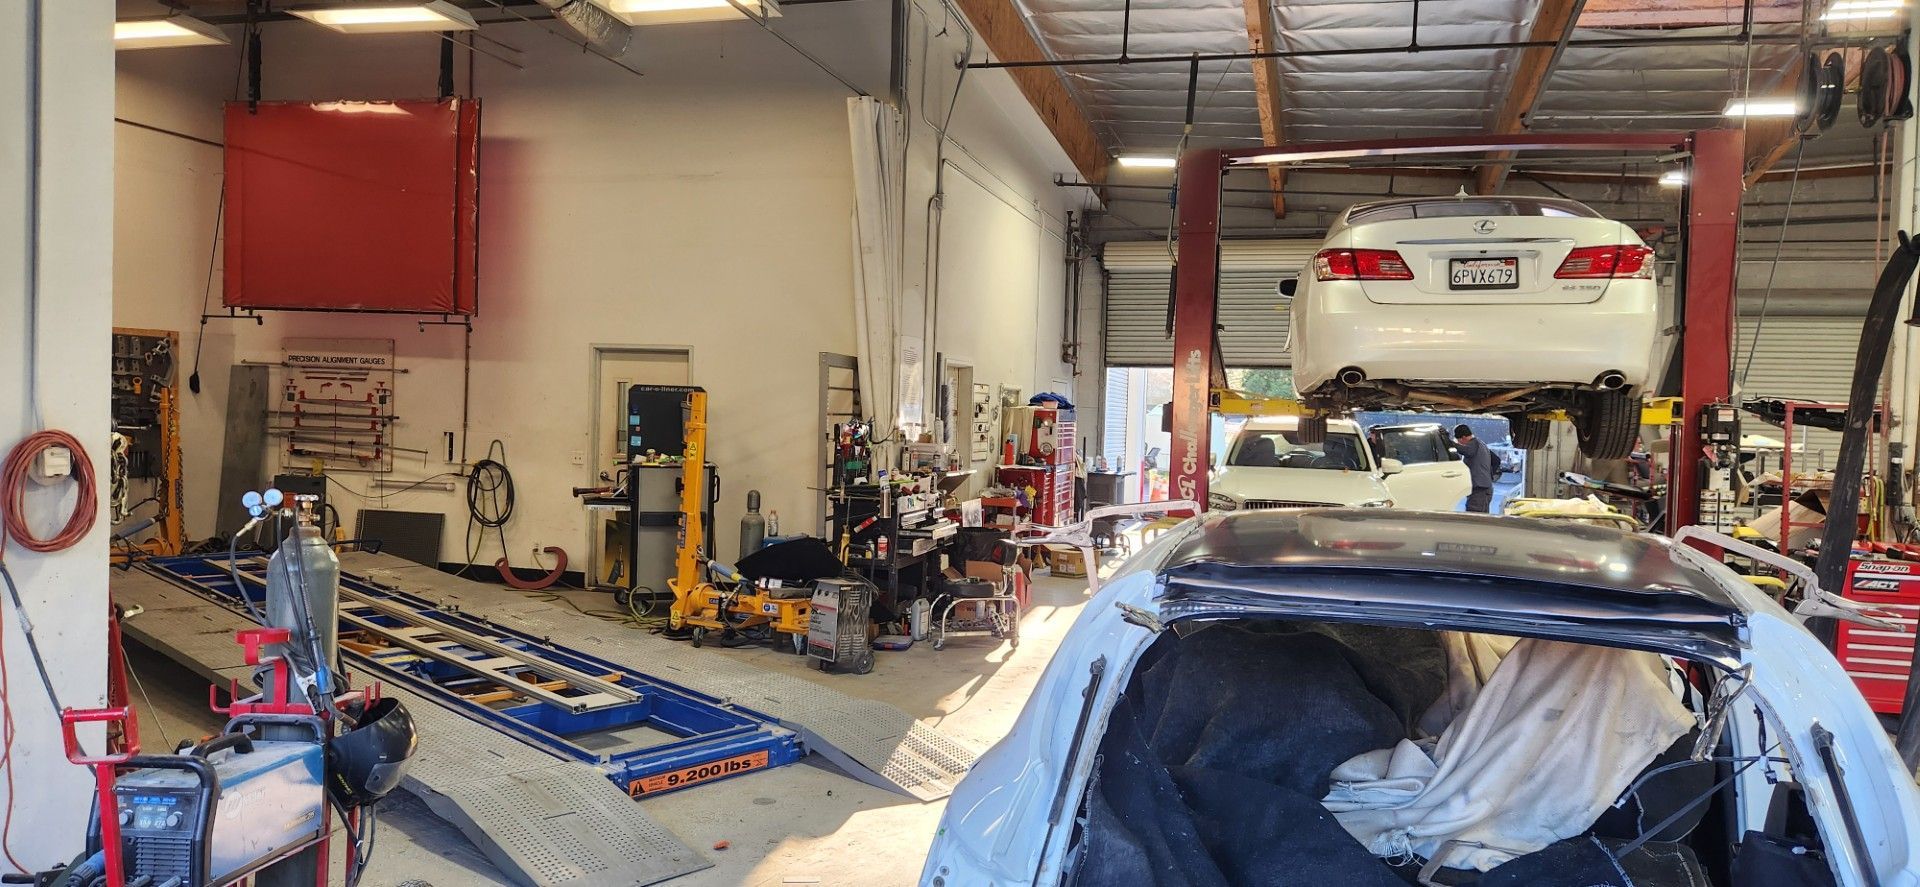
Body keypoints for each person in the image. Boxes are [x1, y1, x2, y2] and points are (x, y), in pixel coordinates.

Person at [1454, 424, 1495, 513]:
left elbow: (1466, 451)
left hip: (1480, 491)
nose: (1459, 444)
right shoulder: (1481, 444)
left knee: (1474, 518)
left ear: (1463, 437)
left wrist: (1450, 443)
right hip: (1483, 489)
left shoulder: (1474, 444)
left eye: (1459, 441)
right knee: (1481, 520)